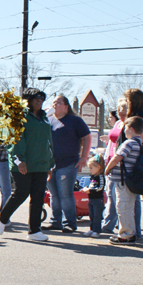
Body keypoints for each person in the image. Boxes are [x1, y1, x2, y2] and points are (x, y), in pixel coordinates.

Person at [0, 88, 54, 242]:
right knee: (21, 193)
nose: (39, 101)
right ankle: (2, 217)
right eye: (36, 99)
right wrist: (20, 160)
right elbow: (16, 139)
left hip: (41, 163)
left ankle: (34, 231)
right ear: (28, 100)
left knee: (38, 197)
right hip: (23, 163)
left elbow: (48, 141)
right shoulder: (19, 117)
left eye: (42, 99)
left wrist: (50, 163)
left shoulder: (44, 118)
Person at [45, 95, 92, 233]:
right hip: (50, 164)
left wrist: (84, 156)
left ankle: (70, 223)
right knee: (53, 194)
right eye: (53, 103)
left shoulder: (75, 121)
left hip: (69, 163)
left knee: (65, 194)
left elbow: (87, 137)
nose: (55, 105)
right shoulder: (48, 120)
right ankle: (55, 221)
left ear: (66, 107)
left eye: (58, 103)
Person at [104, 116, 143, 244]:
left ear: (131, 129)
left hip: (123, 180)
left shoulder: (129, 143)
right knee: (129, 206)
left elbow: (118, 157)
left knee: (123, 207)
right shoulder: (139, 143)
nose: (124, 131)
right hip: (132, 180)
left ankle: (126, 234)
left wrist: (107, 168)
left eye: (126, 128)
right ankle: (129, 232)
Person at [120, 89, 143, 238]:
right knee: (132, 198)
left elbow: (142, 138)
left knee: (132, 197)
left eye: (127, 100)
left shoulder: (141, 116)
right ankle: (134, 230)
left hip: (135, 160)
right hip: (135, 159)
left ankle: (134, 231)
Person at [102, 100, 128, 234]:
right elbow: (112, 143)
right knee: (110, 195)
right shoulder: (118, 123)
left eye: (124, 113)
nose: (122, 115)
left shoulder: (129, 125)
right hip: (110, 160)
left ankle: (109, 225)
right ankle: (108, 224)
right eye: (120, 112)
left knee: (117, 196)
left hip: (120, 164)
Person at [83, 154, 105, 238]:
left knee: (97, 216)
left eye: (91, 168)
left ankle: (97, 230)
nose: (90, 170)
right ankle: (92, 229)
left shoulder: (100, 177)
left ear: (98, 167)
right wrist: (86, 188)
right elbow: (91, 185)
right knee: (91, 215)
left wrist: (90, 190)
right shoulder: (93, 177)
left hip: (98, 199)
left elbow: (100, 187)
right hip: (91, 199)